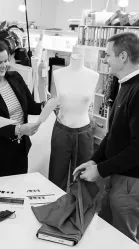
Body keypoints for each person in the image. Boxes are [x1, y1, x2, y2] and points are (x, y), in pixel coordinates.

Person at [73, 32, 139, 242]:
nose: (105, 60)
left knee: (122, 240)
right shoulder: (127, 85)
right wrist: (94, 160)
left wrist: (100, 170)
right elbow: (114, 134)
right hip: (120, 173)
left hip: (133, 178)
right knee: (106, 230)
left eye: (108, 55)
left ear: (123, 56)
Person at [0, 41, 56, 178]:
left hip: (20, 147)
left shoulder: (15, 78)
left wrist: (45, 106)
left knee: (19, 188)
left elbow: (29, 106)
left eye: (6, 61)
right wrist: (20, 129)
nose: (4, 66)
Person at [48, 52, 98, 192]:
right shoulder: (58, 74)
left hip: (84, 132)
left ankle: (80, 212)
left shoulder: (93, 76)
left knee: (82, 179)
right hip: (62, 130)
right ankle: (57, 210)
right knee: (56, 178)